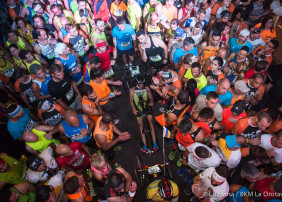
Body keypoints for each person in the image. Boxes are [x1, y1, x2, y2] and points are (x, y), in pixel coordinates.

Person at [129, 75, 158, 153]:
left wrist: (152, 102)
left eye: (142, 83)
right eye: (139, 83)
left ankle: (155, 144)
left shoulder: (147, 88)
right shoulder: (132, 90)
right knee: (141, 126)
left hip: (147, 107)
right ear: (137, 82)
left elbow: (150, 96)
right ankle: (145, 145)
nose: (141, 85)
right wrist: (134, 109)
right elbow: (131, 101)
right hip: (138, 109)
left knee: (151, 123)